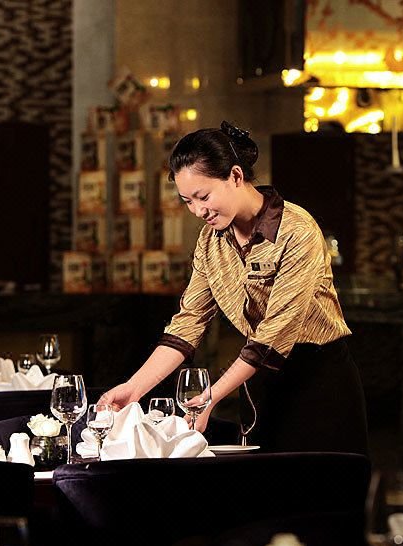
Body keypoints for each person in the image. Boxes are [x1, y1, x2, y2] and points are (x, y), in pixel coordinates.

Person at [99, 121, 368, 455]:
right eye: (187, 201)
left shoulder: (297, 231)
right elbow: (187, 324)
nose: (198, 211)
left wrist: (210, 397)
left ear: (236, 176)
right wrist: (134, 388)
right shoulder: (210, 241)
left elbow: (273, 336)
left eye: (203, 196)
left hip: (318, 382)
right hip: (257, 380)